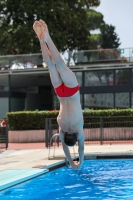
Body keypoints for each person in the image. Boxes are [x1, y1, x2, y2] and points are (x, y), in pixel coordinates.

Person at [33, 20, 84, 169]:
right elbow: (65, 147)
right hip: (61, 93)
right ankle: (42, 40)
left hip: (72, 91)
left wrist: (79, 162)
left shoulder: (78, 129)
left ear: (74, 137)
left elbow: (81, 148)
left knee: (59, 63)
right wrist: (71, 162)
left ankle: (46, 38)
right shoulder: (62, 129)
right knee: (50, 64)